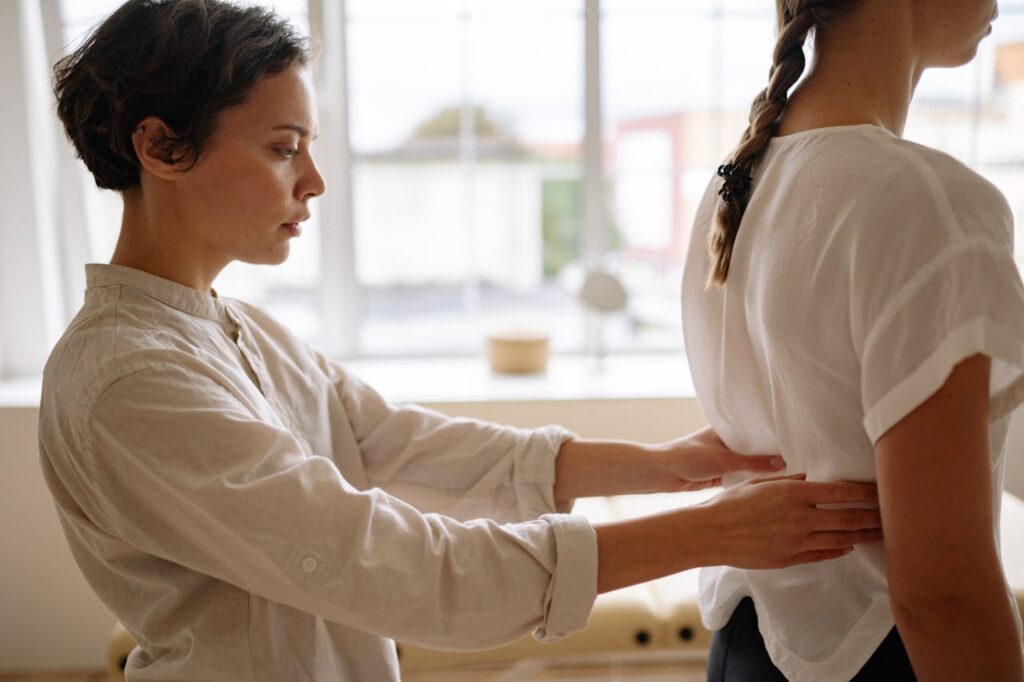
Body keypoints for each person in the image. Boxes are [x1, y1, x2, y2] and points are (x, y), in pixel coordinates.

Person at [39, 1, 883, 679]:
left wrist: (662, 466)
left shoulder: (236, 329)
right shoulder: (129, 381)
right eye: (281, 148)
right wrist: (709, 531)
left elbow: (400, 444)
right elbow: (389, 563)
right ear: (159, 146)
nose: (314, 180)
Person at [682, 0, 1024, 680]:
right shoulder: (928, 201)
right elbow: (942, 594)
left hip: (745, 651)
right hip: (883, 657)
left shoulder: (737, 181)